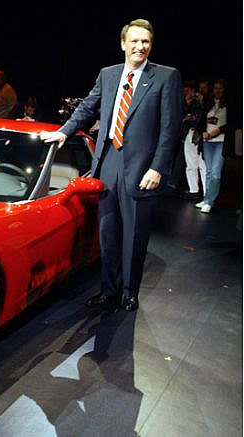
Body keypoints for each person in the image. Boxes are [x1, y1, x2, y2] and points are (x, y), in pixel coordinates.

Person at [40, 19, 183, 312]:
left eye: (145, 42)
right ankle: (109, 290)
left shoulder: (166, 77)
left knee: (134, 235)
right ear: (123, 43)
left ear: (150, 45)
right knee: (107, 235)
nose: (140, 47)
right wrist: (64, 131)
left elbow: (170, 129)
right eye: (134, 41)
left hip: (142, 168)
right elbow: (87, 107)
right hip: (107, 163)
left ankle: (129, 292)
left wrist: (158, 168)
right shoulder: (108, 75)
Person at [195, 78, 228, 213]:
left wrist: (219, 130)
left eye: (220, 88)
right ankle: (206, 198)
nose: (217, 91)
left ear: (225, 90)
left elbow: (233, 124)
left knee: (215, 172)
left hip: (221, 140)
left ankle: (209, 201)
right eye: (215, 88)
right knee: (208, 171)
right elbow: (202, 120)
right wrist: (203, 131)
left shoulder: (229, 105)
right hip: (207, 141)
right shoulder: (208, 104)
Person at [179, 80, 205, 201]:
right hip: (189, 133)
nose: (186, 93)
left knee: (202, 164)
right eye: (185, 91)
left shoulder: (199, 103)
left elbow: (196, 117)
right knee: (190, 164)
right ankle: (193, 190)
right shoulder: (185, 103)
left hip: (199, 133)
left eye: (188, 91)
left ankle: (206, 193)